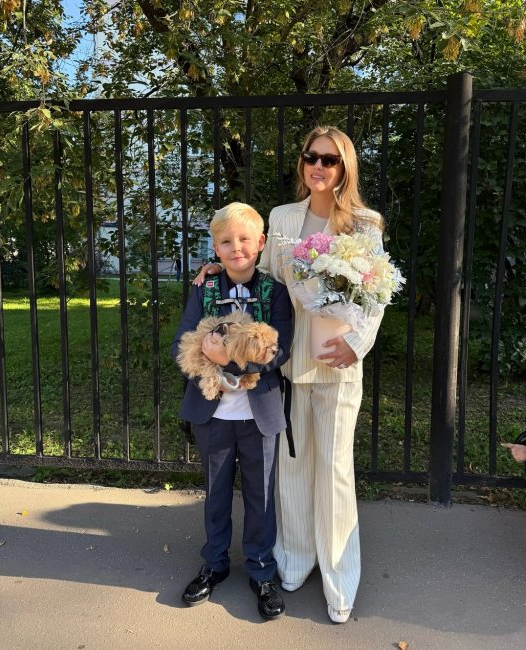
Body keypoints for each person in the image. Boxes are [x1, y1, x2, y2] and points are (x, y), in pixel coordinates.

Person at [194, 126, 385, 623]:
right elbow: (264, 278)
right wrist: (216, 269)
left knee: (335, 471)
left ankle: (340, 576)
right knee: (294, 472)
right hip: (291, 363)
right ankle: (296, 559)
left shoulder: (365, 224)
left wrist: (357, 343)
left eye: (330, 159)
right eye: (311, 157)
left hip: (339, 361)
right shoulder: (282, 217)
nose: (318, 166)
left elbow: (376, 293)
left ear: (344, 167)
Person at [171, 202, 293, 621]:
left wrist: (232, 363)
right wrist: (205, 357)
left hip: (260, 413)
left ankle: (261, 570)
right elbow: (180, 343)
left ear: (260, 243)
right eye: (226, 241)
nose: (236, 247)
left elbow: (281, 350)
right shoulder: (203, 288)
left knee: (261, 496)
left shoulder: (276, 292)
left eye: (244, 239)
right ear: (216, 248)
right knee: (216, 492)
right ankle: (215, 562)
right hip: (213, 414)